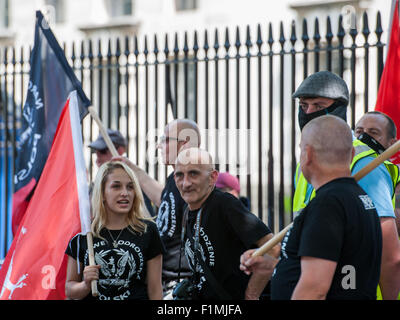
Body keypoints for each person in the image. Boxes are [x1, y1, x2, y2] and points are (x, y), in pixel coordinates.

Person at [241, 115, 383, 300]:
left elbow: (314, 290)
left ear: (307, 154)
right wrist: (275, 267)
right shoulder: (360, 198)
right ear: (352, 155)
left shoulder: (327, 205)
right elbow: (339, 270)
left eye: (300, 150)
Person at [291, 71, 400, 300]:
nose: (308, 112)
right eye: (303, 106)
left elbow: (389, 254)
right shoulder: (306, 160)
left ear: (339, 108)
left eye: (318, 105)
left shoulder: (364, 162)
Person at [173, 147, 278, 300]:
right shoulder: (187, 210)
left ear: (212, 177)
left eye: (193, 173)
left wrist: (251, 295)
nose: (186, 183)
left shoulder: (224, 204)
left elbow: (272, 247)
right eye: (179, 175)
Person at [113, 119, 201, 298]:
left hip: (181, 288)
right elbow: (165, 201)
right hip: (164, 285)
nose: (159, 146)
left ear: (184, 143)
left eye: (165, 139)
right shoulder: (174, 180)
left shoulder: (194, 184)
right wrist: (134, 169)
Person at [65, 161, 165, 300]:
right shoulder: (84, 234)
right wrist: (85, 285)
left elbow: (155, 290)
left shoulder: (148, 230)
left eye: (130, 187)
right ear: (102, 193)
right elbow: (69, 289)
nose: (125, 193)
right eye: (116, 186)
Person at [89, 129, 155, 216]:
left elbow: (145, 219)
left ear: (120, 151)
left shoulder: (137, 183)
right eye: (95, 152)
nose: (98, 159)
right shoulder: (93, 186)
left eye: (102, 151)